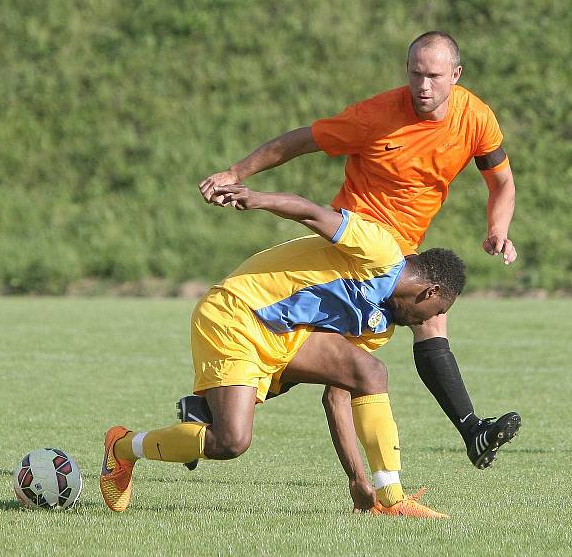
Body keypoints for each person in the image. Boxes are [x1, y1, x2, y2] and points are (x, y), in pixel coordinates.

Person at [195, 31, 520, 469]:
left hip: (403, 254)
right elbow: (301, 140)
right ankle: (459, 438)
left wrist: (498, 228)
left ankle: (218, 415)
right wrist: (237, 171)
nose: (423, 86)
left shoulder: (476, 118)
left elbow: (501, 181)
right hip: (357, 251)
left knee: (347, 369)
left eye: (435, 76)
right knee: (402, 335)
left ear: (456, 76)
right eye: (416, 74)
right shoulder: (375, 116)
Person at [101, 184, 466, 518]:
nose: (428, 322)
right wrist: (257, 199)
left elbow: (337, 399)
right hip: (237, 314)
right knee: (230, 442)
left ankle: (391, 499)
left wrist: (357, 479)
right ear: (429, 292)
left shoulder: (379, 325)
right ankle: (124, 448)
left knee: (371, 373)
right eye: (436, 313)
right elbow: (311, 212)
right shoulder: (381, 252)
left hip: (285, 335)